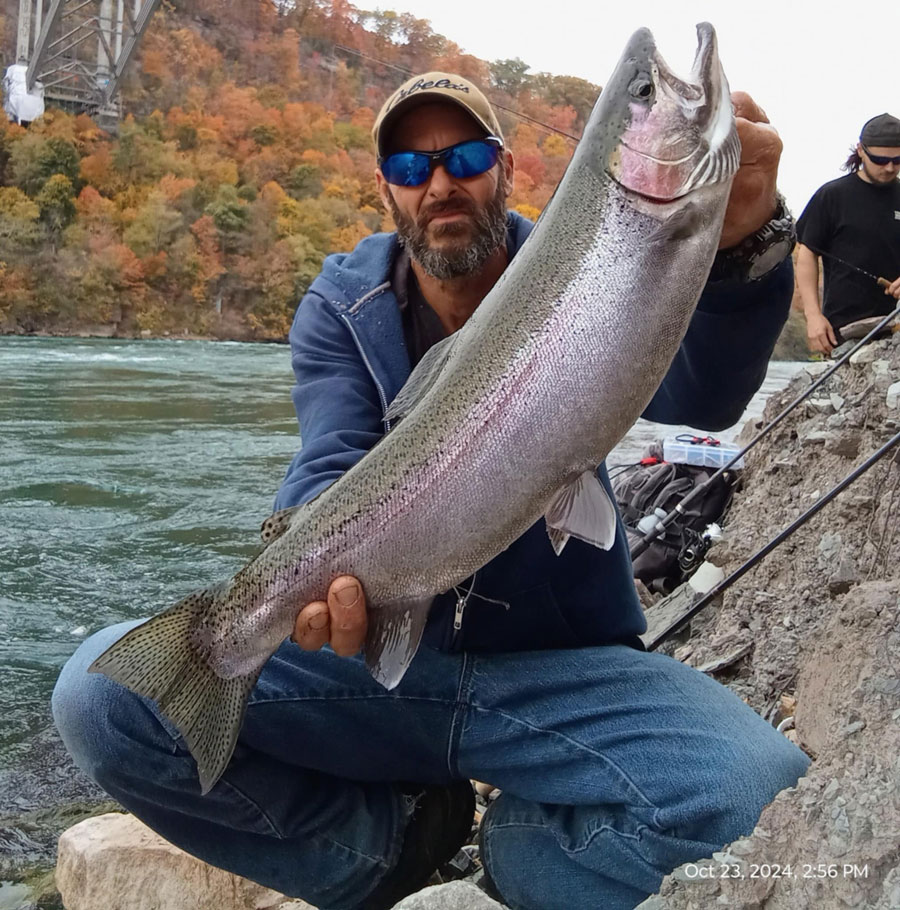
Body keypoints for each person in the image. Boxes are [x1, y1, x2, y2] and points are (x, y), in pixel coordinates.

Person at [52, 72, 810, 910]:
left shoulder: (592, 258)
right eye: (412, 168)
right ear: (386, 190)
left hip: (560, 668)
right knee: (102, 698)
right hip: (386, 671)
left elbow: (701, 396)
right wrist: (309, 574)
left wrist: (744, 252)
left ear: (507, 168)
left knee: (761, 791)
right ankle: (384, 845)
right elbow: (332, 455)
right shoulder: (343, 304)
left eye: (466, 158)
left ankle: (528, 850)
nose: (440, 182)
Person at [796, 112, 900, 355]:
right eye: (880, 160)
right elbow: (807, 254)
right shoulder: (832, 196)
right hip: (842, 332)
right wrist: (813, 316)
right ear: (861, 150)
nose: (889, 168)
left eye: (897, 160)